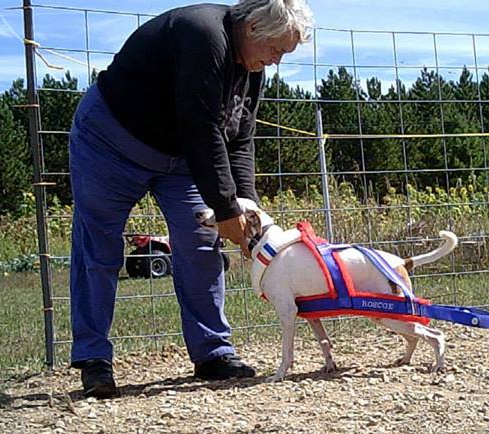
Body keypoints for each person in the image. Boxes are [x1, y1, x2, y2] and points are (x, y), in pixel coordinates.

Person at [68, 0, 313, 398]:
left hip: (181, 159)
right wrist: (225, 208)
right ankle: (94, 359)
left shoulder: (251, 68)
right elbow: (200, 127)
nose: (276, 61)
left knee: (201, 242)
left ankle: (212, 352)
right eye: (276, 50)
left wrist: (244, 208)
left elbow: (239, 139)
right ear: (252, 28)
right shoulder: (203, 34)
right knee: (99, 246)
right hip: (110, 144)